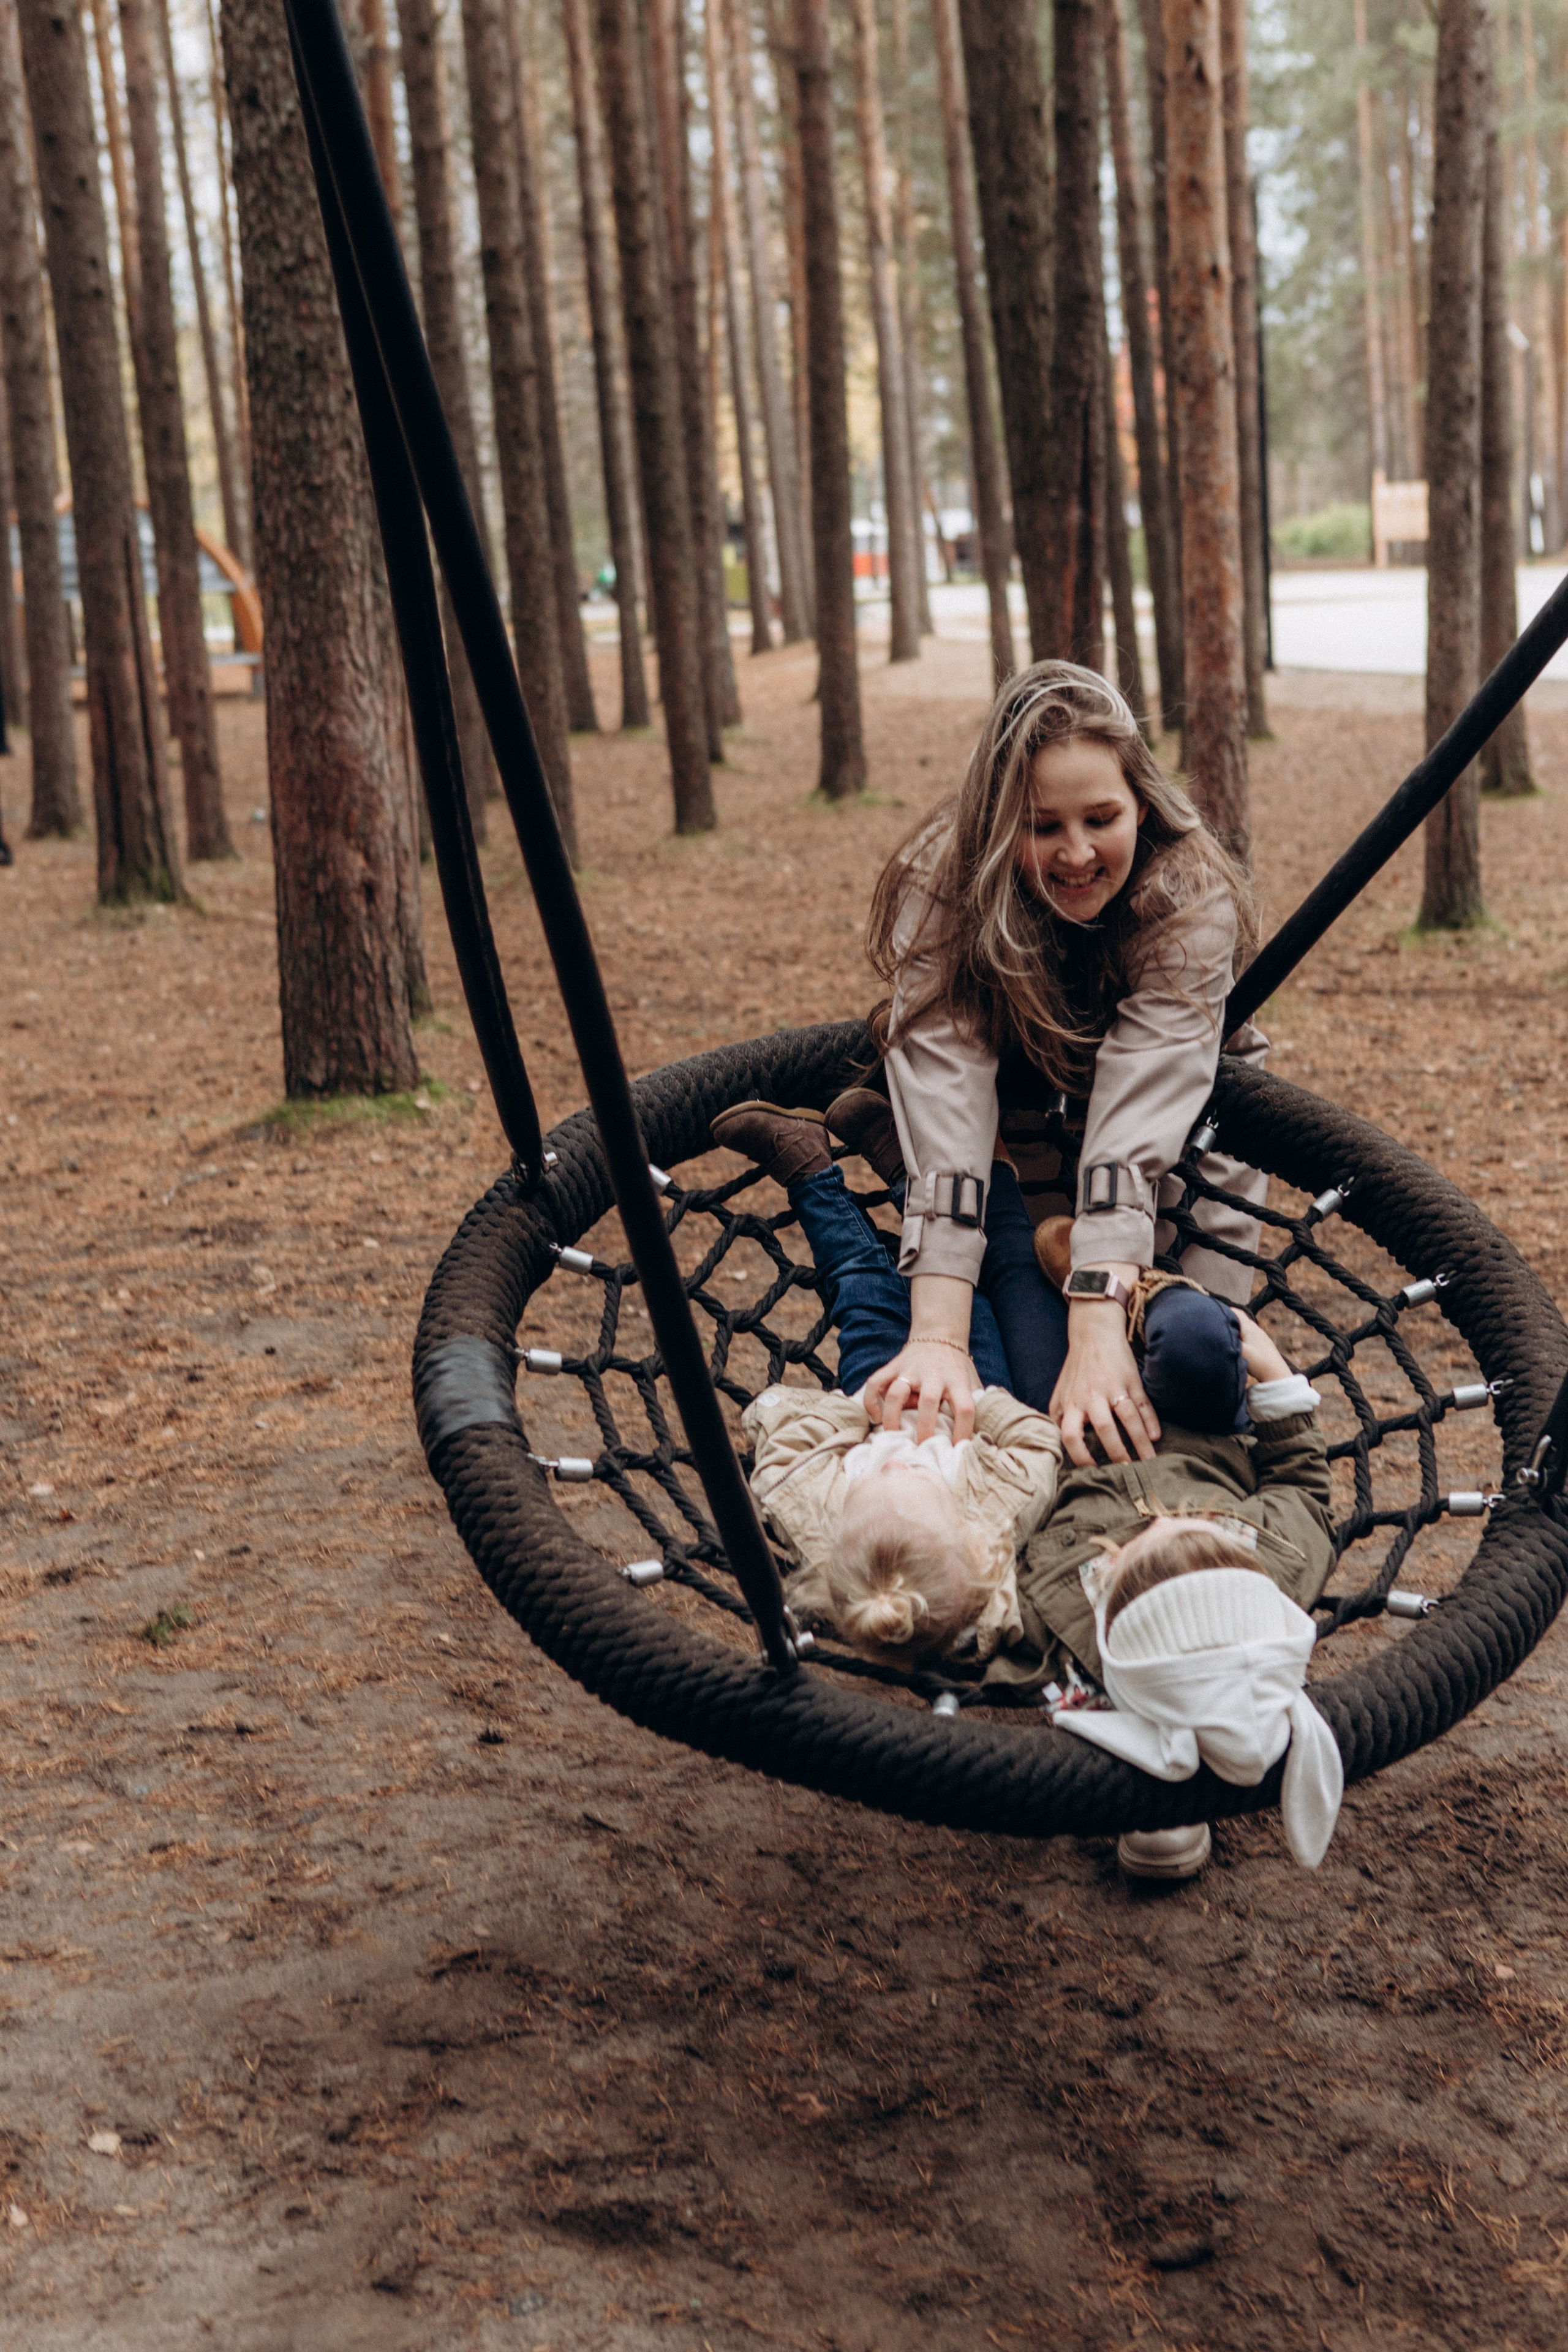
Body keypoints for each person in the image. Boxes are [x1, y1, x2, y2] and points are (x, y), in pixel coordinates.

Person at [854, 658, 1268, 1471]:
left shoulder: (1188, 891)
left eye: (1101, 818)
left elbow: (1144, 1100)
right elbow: (946, 1097)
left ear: (1140, 804)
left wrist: (1099, 1320)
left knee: (1194, 1377)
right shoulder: (940, 884)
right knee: (1038, 1402)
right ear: (997, 824)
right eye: (1042, 827)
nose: (1076, 853)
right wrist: (938, 1334)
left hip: (1186, 1136)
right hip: (1013, 1129)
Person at [984, 1306, 1341, 1880]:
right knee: (1193, 1332)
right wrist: (1273, 1371)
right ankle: (1126, 1273)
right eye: (1205, 1534)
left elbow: (976, 1605)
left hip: (1052, 1428)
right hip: (1193, 1414)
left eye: (1127, 1563)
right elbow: (1302, 1484)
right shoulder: (1274, 1573)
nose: (1161, 1526)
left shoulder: (1062, 1645)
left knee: (1012, 1286)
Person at [715, 1102, 1063, 1669]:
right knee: (957, 1286)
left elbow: (782, 1461)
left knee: (860, 1278)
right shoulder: (996, 1516)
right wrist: (981, 1401)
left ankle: (805, 1165)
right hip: (971, 1387)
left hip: (871, 1388)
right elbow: (1040, 1445)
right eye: (921, 1477)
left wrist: (857, 1415)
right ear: (970, 1543)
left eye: (876, 1478)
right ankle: (908, 1173)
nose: (900, 1460)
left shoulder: (820, 1527)